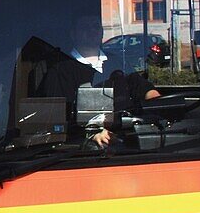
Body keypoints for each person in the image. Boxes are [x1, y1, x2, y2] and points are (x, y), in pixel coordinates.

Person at [39, 13, 160, 147]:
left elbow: (144, 89)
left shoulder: (118, 62)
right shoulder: (60, 69)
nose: (92, 30)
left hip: (128, 139)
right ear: (73, 34)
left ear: (102, 32)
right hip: (83, 147)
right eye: (85, 27)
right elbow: (60, 115)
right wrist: (92, 131)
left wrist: (157, 104)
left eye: (96, 26)